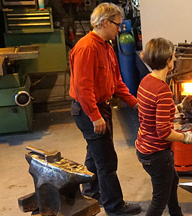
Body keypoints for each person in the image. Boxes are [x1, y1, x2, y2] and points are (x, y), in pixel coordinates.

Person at [69, 2, 143, 215]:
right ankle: (114, 206)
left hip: (101, 108)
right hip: (88, 110)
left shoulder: (107, 47)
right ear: (104, 22)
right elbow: (83, 88)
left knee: (95, 155)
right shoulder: (86, 48)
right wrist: (94, 116)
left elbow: (117, 82)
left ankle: (92, 194)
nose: (119, 29)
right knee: (107, 161)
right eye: (117, 24)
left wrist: (134, 103)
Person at [135, 37, 192, 216]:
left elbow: (153, 113)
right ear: (168, 60)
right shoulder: (162, 90)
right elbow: (163, 131)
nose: (175, 59)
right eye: (174, 56)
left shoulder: (147, 81)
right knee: (158, 201)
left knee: (172, 181)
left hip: (144, 147)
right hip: (156, 154)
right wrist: (184, 137)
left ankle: (176, 213)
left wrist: (180, 108)